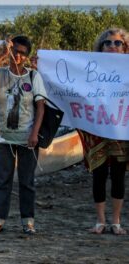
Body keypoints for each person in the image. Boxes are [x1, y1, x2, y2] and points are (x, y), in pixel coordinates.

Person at [0, 35, 46, 235]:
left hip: (27, 139)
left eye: (22, 53)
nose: (18, 56)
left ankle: (28, 221)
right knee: (3, 180)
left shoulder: (33, 77)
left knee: (26, 181)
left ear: (27, 56)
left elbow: (40, 108)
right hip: (2, 137)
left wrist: (35, 134)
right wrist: (3, 53)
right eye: (15, 51)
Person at [79, 28, 129, 235]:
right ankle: (100, 221)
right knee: (98, 175)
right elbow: (71, 86)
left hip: (121, 129)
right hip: (96, 129)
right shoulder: (90, 68)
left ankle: (116, 221)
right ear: (101, 47)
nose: (112, 46)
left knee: (118, 176)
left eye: (118, 43)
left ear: (125, 47)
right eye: (108, 43)